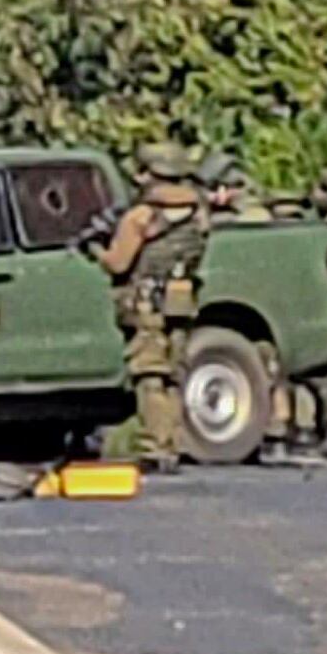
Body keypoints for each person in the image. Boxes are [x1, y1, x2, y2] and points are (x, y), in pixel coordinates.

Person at [97, 141, 212, 469]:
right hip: (181, 302)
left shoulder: (142, 216)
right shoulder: (198, 213)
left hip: (148, 303)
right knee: (174, 373)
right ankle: (174, 441)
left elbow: (119, 263)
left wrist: (97, 251)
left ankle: (156, 445)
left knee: (149, 376)